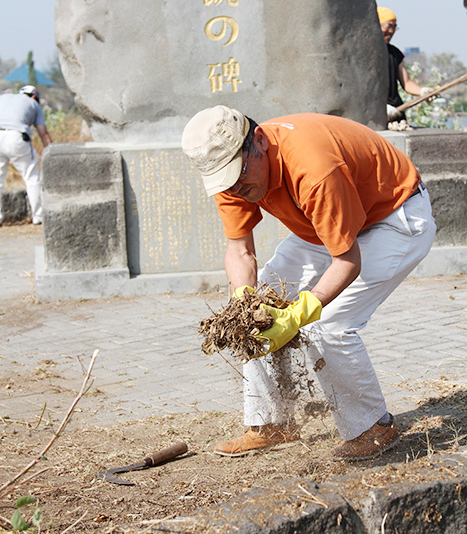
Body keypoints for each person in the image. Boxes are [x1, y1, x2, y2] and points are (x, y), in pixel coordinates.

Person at [182, 106, 436, 460]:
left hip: (394, 216)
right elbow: (239, 251)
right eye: (226, 182)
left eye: (238, 176)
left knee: (328, 324)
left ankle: (374, 427)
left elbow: (347, 261)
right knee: (259, 308)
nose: (236, 189)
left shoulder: (313, 166)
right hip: (325, 226)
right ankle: (271, 424)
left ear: (258, 141)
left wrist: (300, 313)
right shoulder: (229, 171)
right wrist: (245, 303)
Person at [0, 85, 52, 225]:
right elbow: (43, 133)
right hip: (16, 137)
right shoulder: (34, 104)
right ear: (34, 96)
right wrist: (52, 154)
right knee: (32, 177)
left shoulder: (4, 97)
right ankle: (38, 216)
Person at [377, 7, 433, 124]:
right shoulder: (365, 53)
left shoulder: (395, 53)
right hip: (377, 115)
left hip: (396, 112)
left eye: (394, 27)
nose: (391, 31)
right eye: (388, 26)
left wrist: (423, 91)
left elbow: (407, 83)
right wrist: (381, 107)